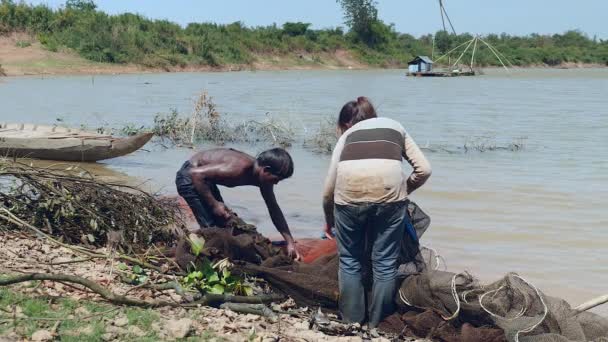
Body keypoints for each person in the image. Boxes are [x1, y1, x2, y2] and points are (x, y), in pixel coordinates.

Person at [322, 97, 431, 327]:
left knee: (350, 261)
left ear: (346, 123)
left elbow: (328, 190)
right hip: (389, 200)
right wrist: (402, 191)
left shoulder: (346, 136)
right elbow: (424, 169)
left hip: (348, 200)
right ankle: (377, 324)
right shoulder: (395, 126)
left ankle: (352, 321)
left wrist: (329, 219)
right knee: (384, 263)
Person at [176, 147, 301, 260]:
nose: (276, 183)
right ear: (265, 170)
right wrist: (214, 204)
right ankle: (203, 260)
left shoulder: (264, 179)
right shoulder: (239, 168)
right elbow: (196, 174)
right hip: (189, 177)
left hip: (205, 180)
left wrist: (289, 241)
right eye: (276, 179)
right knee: (210, 228)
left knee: (223, 225)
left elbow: (273, 208)